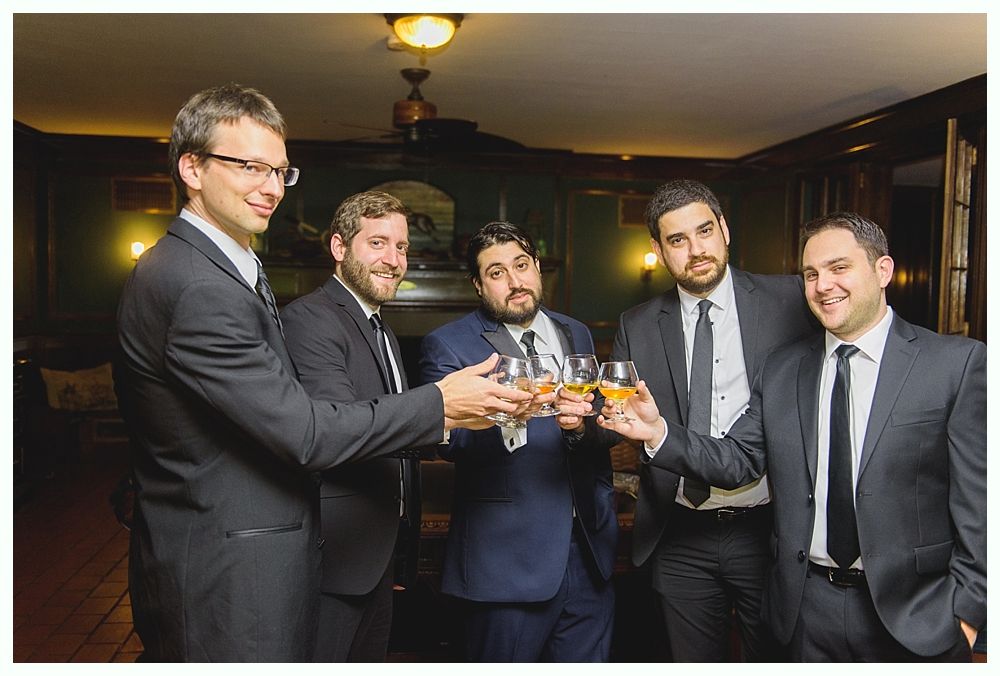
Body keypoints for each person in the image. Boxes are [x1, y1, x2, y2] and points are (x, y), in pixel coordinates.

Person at [114, 84, 531, 662]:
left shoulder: (225, 267)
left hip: (254, 556)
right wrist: (439, 404)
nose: (269, 187)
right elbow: (305, 433)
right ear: (192, 166)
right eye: (249, 166)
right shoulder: (197, 283)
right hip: (229, 570)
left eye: (280, 171)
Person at [597, 212, 986, 661]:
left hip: (917, 616)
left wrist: (970, 616)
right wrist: (659, 432)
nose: (823, 286)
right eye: (811, 274)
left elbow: (981, 504)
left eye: (839, 268)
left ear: (883, 271)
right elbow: (739, 459)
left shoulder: (954, 365)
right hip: (805, 612)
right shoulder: (784, 369)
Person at [558, 179, 814, 661]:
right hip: (677, 535)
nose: (696, 250)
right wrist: (577, 426)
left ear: (726, 231)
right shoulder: (638, 322)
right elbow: (616, 417)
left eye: (704, 232)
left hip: (770, 529)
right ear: (657, 249)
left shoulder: (792, 301)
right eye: (678, 240)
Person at [419, 222, 618, 662]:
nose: (514, 282)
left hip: (588, 552)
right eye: (496, 272)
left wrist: (580, 429)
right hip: (506, 562)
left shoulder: (576, 333)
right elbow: (447, 443)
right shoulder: (449, 345)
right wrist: (508, 417)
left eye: (521, 265)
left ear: (537, 268)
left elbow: (600, 427)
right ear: (478, 284)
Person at [280, 190, 421, 661]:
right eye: (378, 243)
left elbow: (393, 433)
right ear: (339, 248)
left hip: (378, 552)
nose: (393, 259)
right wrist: (442, 407)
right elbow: (338, 428)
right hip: (335, 556)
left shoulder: (381, 330)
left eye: (401, 247)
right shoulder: (310, 318)